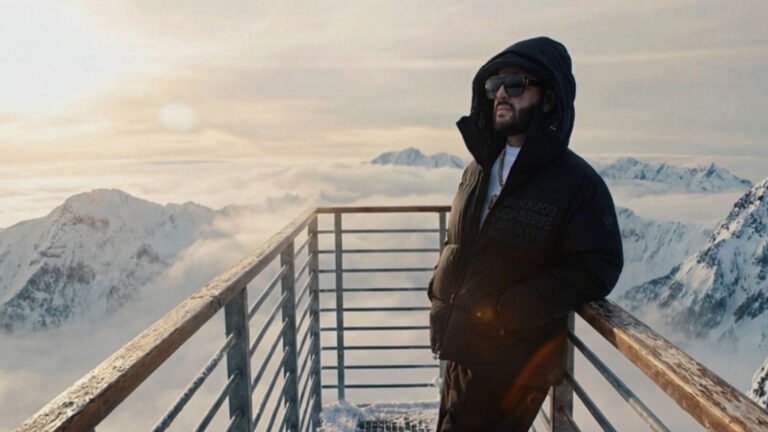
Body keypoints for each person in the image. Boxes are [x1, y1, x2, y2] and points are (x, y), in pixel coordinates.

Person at [427, 36, 624, 431]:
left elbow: (598, 265)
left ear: (548, 99)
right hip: (462, 342)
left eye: (515, 84)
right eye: (493, 85)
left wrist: (511, 311)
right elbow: (460, 242)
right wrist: (439, 287)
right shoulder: (479, 168)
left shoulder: (576, 183)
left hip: (510, 360)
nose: (501, 94)